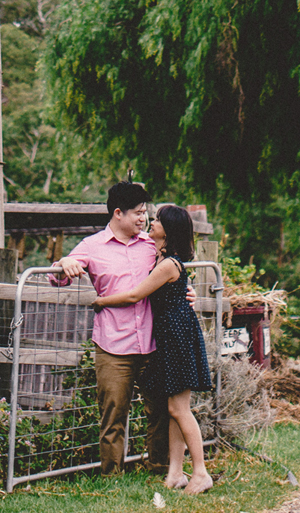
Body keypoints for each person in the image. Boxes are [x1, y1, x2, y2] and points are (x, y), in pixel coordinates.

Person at [92, 203, 217, 492]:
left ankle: (200, 472)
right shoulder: (162, 258)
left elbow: (136, 294)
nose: (151, 222)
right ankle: (175, 473)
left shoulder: (168, 265)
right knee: (175, 409)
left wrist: (101, 301)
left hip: (177, 338)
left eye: (157, 220)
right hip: (170, 338)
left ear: (168, 230)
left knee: (179, 408)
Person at [54, 181, 168, 475]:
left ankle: (158, 467)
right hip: (113, 346)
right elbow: (59, 278)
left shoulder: (151, 245)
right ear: (118, 213)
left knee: (160, 410)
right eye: (138, 213)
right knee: (114, 414)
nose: (143, 219)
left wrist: (188, 293)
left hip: (153, 343)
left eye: (145, 213)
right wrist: (64, 262)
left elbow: (174, 274)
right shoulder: (92, 246)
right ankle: (111, 475)